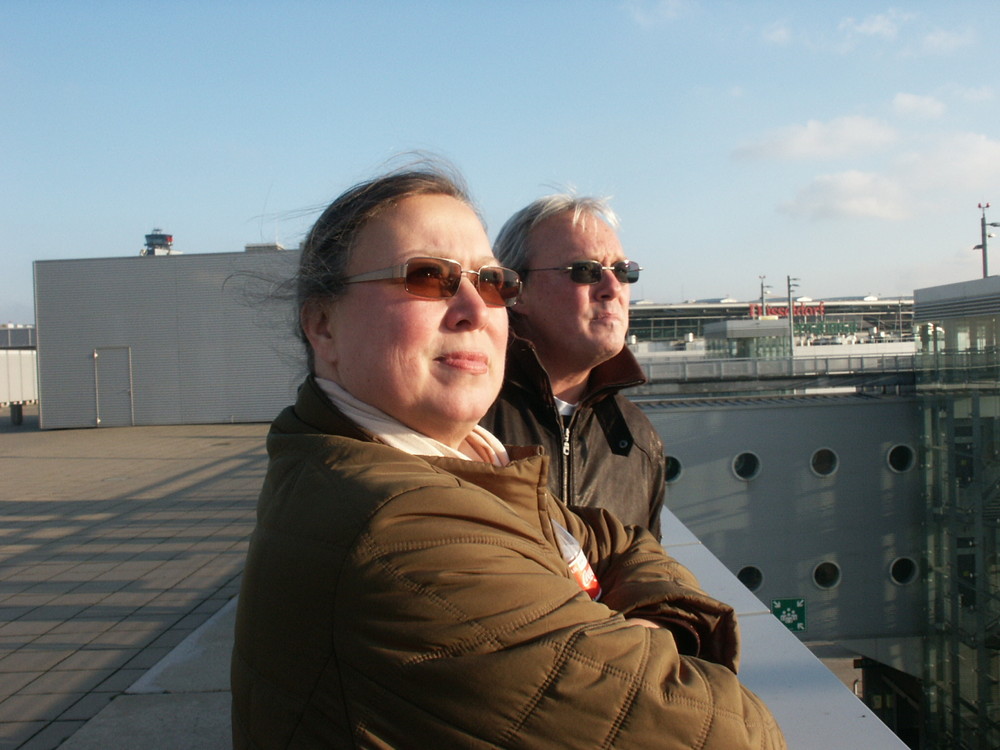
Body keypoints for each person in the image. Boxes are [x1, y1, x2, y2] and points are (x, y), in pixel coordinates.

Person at [230, 163, 785, 749]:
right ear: (322, 325)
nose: (473, 306)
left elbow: (622, 541)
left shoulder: (467, 461)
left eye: (490, 281)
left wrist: (635, 638)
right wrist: (648, 636)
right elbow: (730, 735)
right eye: (428, 275)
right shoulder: (402, 527)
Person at [481, 195, 666, 537]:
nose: (613, 288)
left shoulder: (638, 439)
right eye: (585, 271)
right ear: (516, 292)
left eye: (624, 271)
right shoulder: (463, 416)